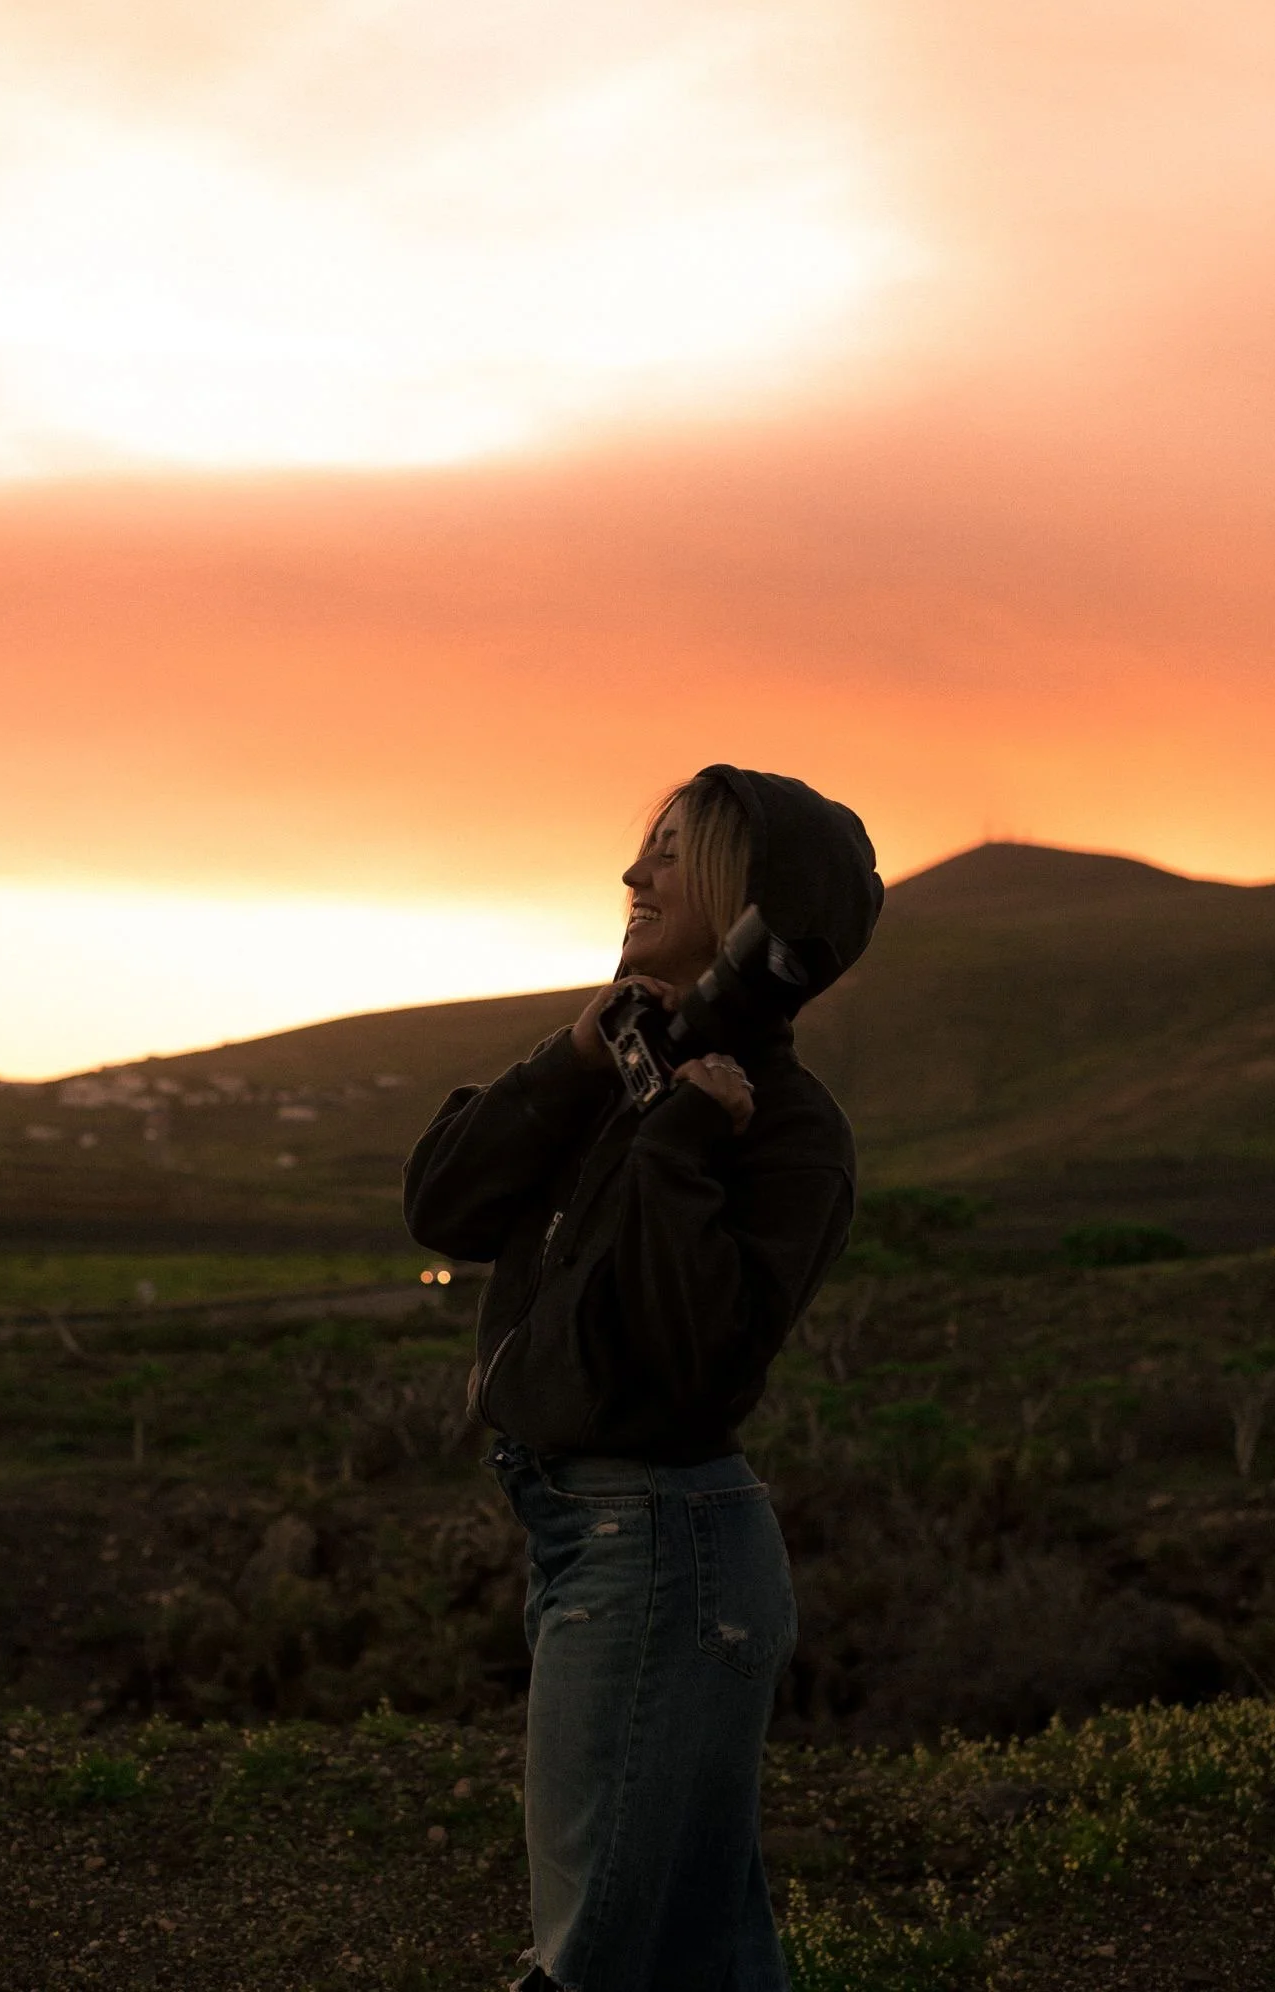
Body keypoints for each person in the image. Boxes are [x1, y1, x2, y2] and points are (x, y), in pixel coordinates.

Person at [402, 764, 883, 1992]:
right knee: (702, 1953)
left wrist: (676, 1148)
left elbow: (699, 1364)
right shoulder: (619, 1068)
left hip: (661, 1547)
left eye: (671, 852)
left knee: (597, 1956)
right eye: (644, 848)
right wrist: (567, 1065)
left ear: (748, 895)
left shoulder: (780, 1126)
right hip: (591, 1534)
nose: (635, 873)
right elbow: (446, 1205)